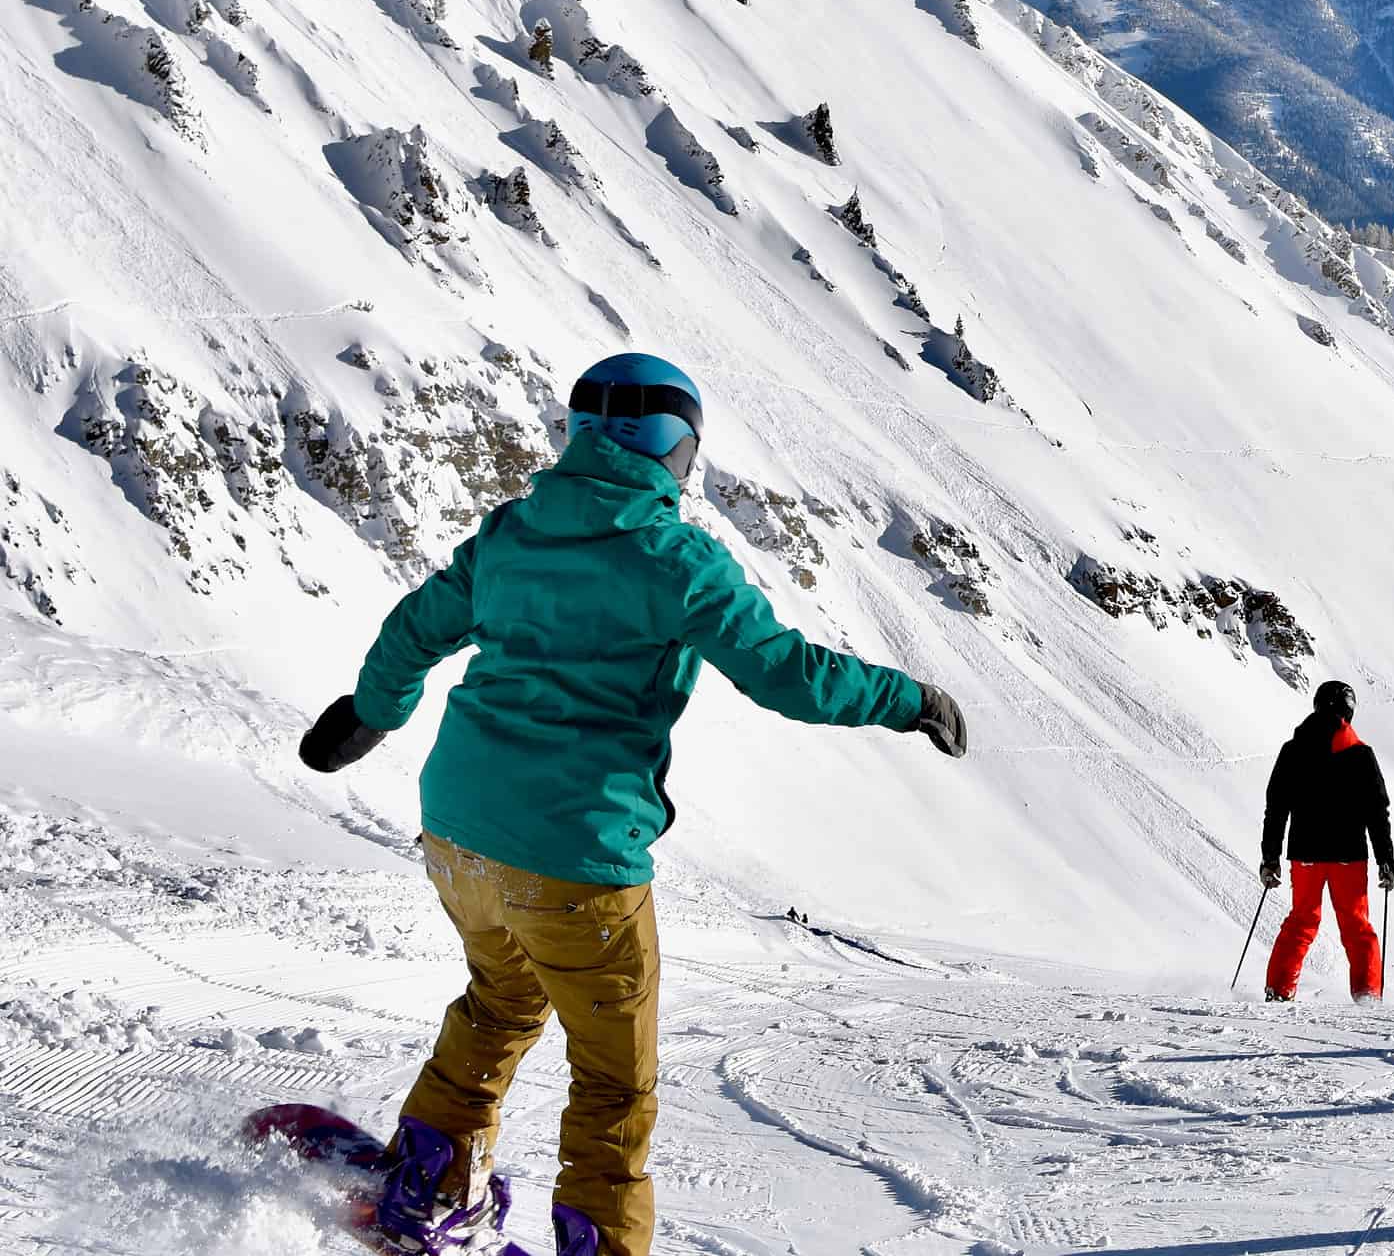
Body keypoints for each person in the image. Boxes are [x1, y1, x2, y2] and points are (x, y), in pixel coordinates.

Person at [297, 353, 968, 1256]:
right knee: (615, 1083)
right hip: (577, 859)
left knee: (499, 1004)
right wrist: (910, 699)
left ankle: (427, 1182)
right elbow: (789, 677)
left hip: (458, 832)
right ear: (676, 451)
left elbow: (416, 630)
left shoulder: (514, 532)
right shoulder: (674, 556)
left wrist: (369, 717)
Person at [1259, 680, 1394, 1002]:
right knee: (1356, 926)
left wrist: (1270, 857)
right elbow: (1377, 811)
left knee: (1301, 921)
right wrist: (1385, 860)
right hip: (1348, 855)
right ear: (1349, 711)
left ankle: (1279, 990)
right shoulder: (1361, 755)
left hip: (1305, 853)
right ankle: (1367, 997)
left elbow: (1276, 807)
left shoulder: (1293, 750)